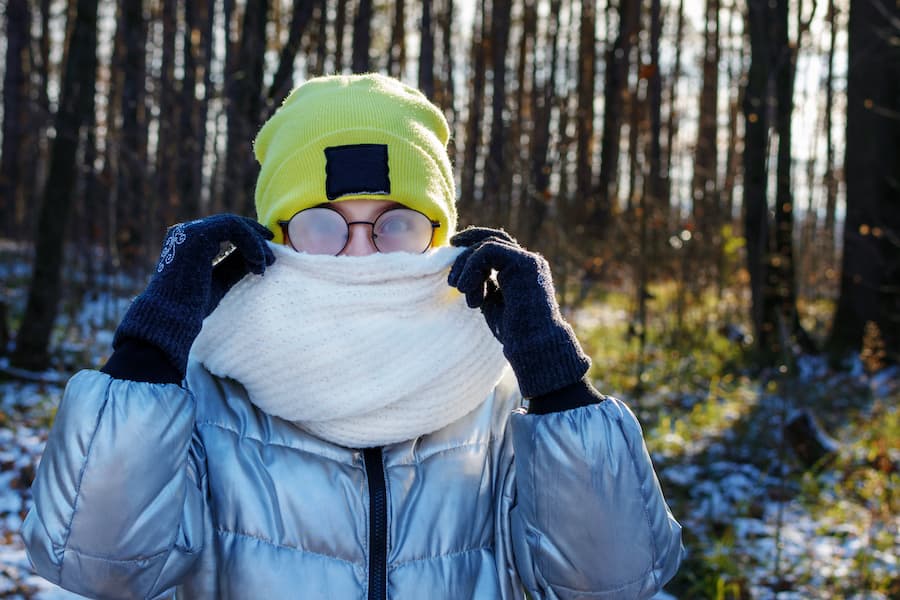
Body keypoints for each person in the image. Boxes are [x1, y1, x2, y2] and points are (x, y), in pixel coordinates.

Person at [21, 74, 682, 599]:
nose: (362, 255)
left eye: (396, 224)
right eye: (321, 224)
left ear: (442, 237)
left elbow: (611, 583)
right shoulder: (202, 391)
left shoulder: (500, 393)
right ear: (272, 238)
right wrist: (145, 358)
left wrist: (561, 389)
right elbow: (98, 568)